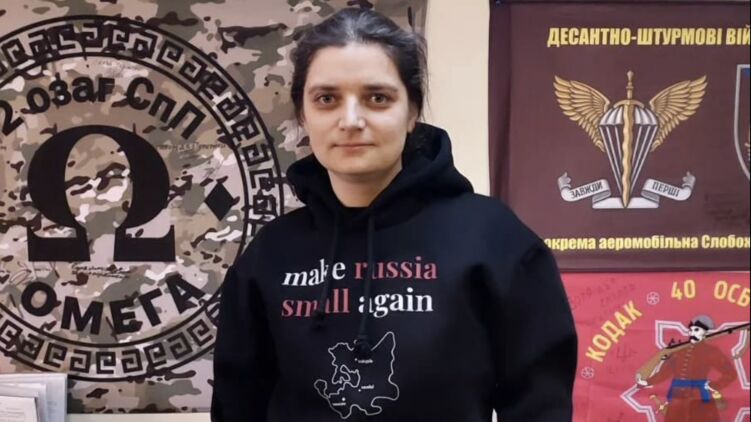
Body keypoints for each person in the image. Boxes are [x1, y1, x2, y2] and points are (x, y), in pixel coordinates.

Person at [211, 7, 577, 421]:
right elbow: (237, 404)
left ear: (412, 112)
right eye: (327, 99)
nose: (351, 120)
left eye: (377, 98)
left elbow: (540, 405)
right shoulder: (271, 253)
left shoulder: (494, 240)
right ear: (303, 115)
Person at [637, 315, 736, 422]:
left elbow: (730, 373)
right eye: (691, 330)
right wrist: (647, 382)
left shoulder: (711, 351)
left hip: (700, 397)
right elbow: (665, 372)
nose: (692, 333)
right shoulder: (679, 350)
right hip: (677, 397)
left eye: (696, 330)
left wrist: (714, 385)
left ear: (705, 332)